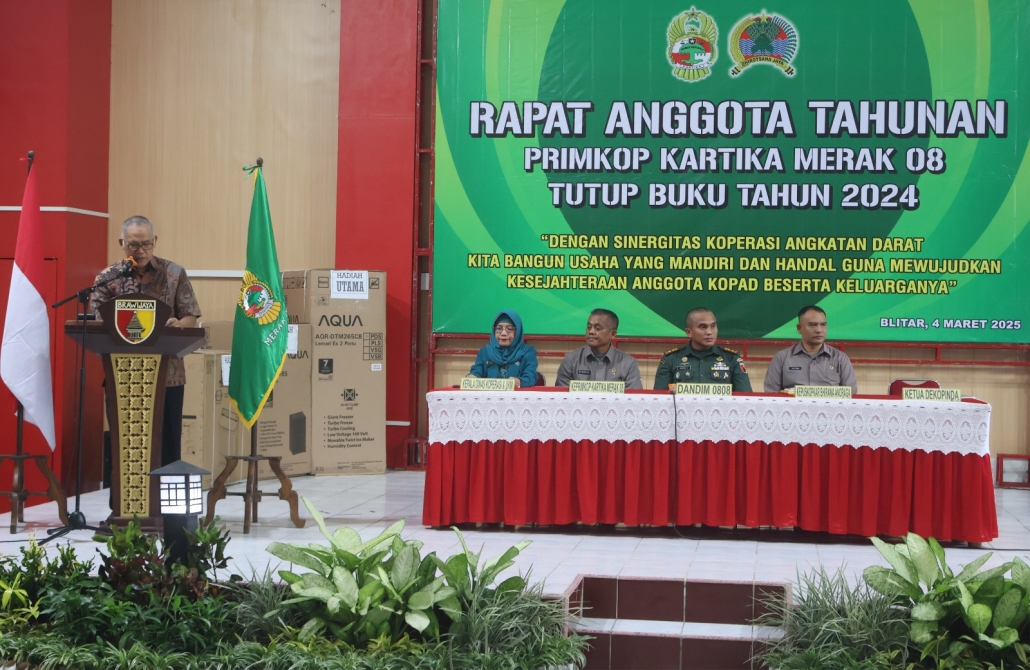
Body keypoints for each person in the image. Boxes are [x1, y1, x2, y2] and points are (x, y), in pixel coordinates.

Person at [91, 215, 202, 466]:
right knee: (127, 446)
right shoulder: (107, 278)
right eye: (133, 244)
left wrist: (178, 324)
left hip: (168, 375)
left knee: (168, 445)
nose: (140, 251)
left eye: (146, 244)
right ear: (122, 243)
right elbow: (98, 323)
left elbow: (191, 315)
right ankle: (124, 492)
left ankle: (165, 492)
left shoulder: (174, 273)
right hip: (123, 375)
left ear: (155, 241)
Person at [764, 305, 857, 394]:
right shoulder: (781, 358)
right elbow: (771, 395)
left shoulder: (840, 358)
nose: (819, 330)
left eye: (823, 325)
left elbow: (851, 395)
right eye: (813, 325)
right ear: (799, 328)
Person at [653, 307, 752, 391]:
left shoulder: (732, 359)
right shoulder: (671, 359)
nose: (709, 332)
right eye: (703, 327)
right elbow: (658, 398)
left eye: (713, 326)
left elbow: (746, 398)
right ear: (689, 332)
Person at [555, 309, 642, 388]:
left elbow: (634, 397)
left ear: (612, 334)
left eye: (597, 328)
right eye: (589, 327)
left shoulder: (628, 364)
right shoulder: (571, 360)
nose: (591, 332)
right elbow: (561, 396)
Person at [467, 310, 538, 387]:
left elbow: (530, 377)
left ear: (517, 332)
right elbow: (476, 372)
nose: (503, 333)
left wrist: (519, 381)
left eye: (509, 329)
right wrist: (472, 377)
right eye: (499, 328)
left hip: (516, 394)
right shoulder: (485, 352)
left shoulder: (528, 352)